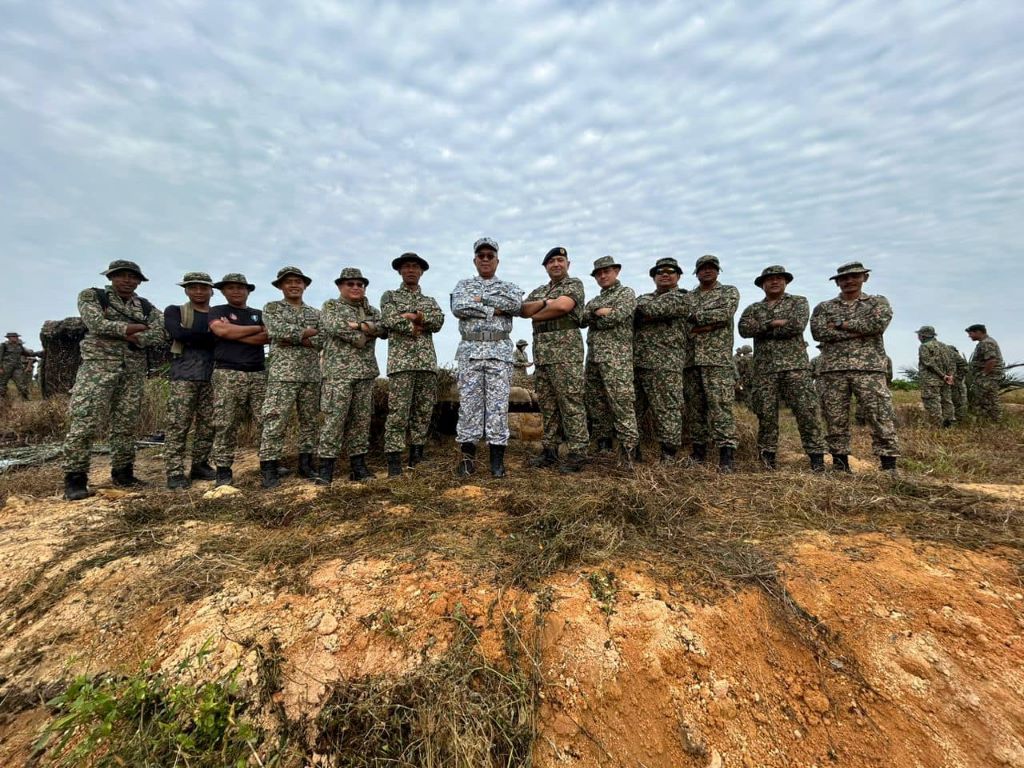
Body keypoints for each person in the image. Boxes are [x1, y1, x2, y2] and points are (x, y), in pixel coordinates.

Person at [61, 260, 166, 500]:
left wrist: (133, 337)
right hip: (98, 368)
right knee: (84, 422)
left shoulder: (146, 306)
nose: (127, 280)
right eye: (121, 276)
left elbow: (160, 334)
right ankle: (75, 478)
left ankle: (123, 473)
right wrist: (134, 328)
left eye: (132, 276)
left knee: (125, 425)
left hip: (132, 370)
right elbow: (96, 324)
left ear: (139, 280)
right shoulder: (93, 296)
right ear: (111, 277)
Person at [810, 261, 899, 472]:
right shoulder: (824, 307)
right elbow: (819, 333)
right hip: (833, 370)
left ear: (864, 278)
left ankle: (888, 466)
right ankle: (841, 465)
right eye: (843, 278)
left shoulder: (877, 302)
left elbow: (877, 325)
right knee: (834, 418)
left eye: (855, 276)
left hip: (869, 370)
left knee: (880, 416)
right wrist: (861, 329)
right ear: (837, 282)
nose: (849, 281)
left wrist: (840, 325)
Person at [738, 265, 826, 471]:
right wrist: (773, 323)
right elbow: (744, 329)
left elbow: (797, 325)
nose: (774, 282)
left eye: (779, 278)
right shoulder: (753, 309)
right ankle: (767, 461)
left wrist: (763, 328)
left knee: (807, 413)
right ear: (762, 285)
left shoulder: (798, 302)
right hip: (764, 370)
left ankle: (817, 460)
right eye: (769, 279)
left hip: (795, 368)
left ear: (785, 282)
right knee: (766, 415)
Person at [450, 238, 523, 477]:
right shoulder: (463, 285)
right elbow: (458, 307)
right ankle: (467, 459)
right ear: (474, 260)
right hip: (470, 353)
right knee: (469, 406)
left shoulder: (509, 286)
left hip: (499, 353)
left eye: (489, 256)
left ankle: (496, 462)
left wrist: (482, 301)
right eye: (480, 256)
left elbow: (515, 305)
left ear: (497, 260)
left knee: (498, 407)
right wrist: (493, 308)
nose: (485, 259)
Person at [521, 247, 589, 473]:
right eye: (551, 262)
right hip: (542, 355)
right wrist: (544, 306)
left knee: (570, 403)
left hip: (565, 356)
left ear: (568, 264)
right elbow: (523, 310)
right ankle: (549, 450)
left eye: (560, 260)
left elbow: (563, 306)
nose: (556, 264)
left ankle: (578, 452)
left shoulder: (574, 285)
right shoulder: (540, 290)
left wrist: (539, 308)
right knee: (548, 405)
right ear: (545, 267)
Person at [317, 268, 385, 484]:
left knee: (361, 421)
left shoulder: (372, 310)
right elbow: (334, 326)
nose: (356, 287)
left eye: (360, 284)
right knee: (334, 420)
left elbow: (384, 328)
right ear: (340, 286)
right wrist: (364, 335)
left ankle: (358, 467)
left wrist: (357, 326)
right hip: (338, 375)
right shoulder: (331, 306)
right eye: (350, 284)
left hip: (365, 374)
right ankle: (326, 469)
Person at [381, 252, 445, 477]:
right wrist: (415, 326)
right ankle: (394, 460)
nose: (411, 270)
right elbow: (389, 319)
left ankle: (417, 456)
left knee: (423, 411)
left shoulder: (430, 301)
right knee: (398, 413)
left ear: (422, 272)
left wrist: (414, 316)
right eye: (406, 267)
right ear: (400, 271)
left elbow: (438, 321)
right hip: (401, 365)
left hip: (426, 364)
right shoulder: (389, 296)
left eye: (415, 267)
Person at [259, 266, 321, 488]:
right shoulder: (272, 308)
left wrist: (293, 336)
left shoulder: (316, 313)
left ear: (304, 285)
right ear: (280, 286)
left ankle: (306, 465)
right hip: (282, 376)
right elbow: (275, 331)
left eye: (298, 281)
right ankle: (269, 468)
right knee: (275, 420)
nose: (294, 285)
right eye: (288, 282)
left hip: (311, 375)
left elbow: (322, 339)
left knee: (310, 422)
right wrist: (306, 334)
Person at [208, 273, 269, 488]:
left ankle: (268, 466)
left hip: (258, 373)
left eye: (240, 287)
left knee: (266, 421)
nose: (236, 291)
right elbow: (220, 329)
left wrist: (234, 333)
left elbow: (267, 337)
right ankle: (223, 470)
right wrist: (254, 330)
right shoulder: (217, 311)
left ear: (248, 291)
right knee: (225, 422)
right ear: (223, 291)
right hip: (227, 373)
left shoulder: (258, 313)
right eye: (231, 287)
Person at [683, 254, 740, 472]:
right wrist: (706, 323)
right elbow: (682, 322)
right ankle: (698, 454)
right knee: (695, 410)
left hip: (717, 361)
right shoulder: (688, 296)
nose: (707, 271)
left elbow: (724, 314)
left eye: (711, 268)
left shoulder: (728, 291)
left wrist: (696, 321)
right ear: (696, 273)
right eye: (702, 268)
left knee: (721, 407)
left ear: (718, 271)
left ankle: (727, 457)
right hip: (691, 361)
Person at [581, 256, 638, 463]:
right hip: (594, 359)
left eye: (606, 271)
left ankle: (629, 451)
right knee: (596, 404)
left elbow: (615, 317)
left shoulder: (626, 293)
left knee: (621, 404)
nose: (603, 276)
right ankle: (604, 448)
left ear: (616, 272)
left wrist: (597, 316)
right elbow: (582, 319)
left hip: (617, 361)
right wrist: (599, 313)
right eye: (598, 273)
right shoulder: (595, 301)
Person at [163, 272, 217, 489]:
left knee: (209, 424)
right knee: (178, 424)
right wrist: (213, 337)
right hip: (183, 375)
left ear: (211, 290)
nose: (198, 291)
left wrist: (192, 335)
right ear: (186, 290)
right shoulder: (175, 311)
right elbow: (178, 333)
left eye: (203, 288)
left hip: (212, 375)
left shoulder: (218, 313)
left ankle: (200, 464)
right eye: (193, 287)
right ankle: (174, 472)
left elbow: (189, 335)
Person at [633, 257, 689, 463]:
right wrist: (643, 310)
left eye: (670, 271)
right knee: (633, 409)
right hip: (637, 363)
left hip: (665, 365)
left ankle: (668, 455)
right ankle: (633, 452)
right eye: (659, 272)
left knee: (667, 410)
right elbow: (634, 311)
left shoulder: (682, 297)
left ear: (678, 276)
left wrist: (645, 310)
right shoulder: (644, 297)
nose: (665, 275)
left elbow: (650, 310)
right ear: (653, 277)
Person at [915, 326, 956, 427]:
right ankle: (949, 423)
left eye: (919, 335)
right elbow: (951, 362)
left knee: (932, 403)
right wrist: (949, 375)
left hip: (931, 380)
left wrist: (943, 376)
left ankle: (936, 426)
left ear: (922, 336)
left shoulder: (924, 346)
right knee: (946, 401)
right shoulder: (944, 346)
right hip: (946, 380)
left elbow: (928, 363)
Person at [965, 323, 1004, 422]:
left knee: (989, 399)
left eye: (971, 333)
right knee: (987, 399)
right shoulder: (986, 342)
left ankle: (995, 421)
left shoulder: (986, 343)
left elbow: (991, 360)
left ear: (978, 332)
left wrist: (983, 374)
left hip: (989, 377)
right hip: (989, 376)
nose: (969, 336)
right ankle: (989, 421)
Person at [0, 332, 39, 401]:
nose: (17, 338)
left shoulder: (19, 346)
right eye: (15, 337)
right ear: (9, 338)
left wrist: (39, 353)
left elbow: (28, 353)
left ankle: (25, 399)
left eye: (17, 337)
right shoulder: (3, 345)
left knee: (21, 384)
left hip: (17, 368)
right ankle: (2, 400)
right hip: (6, 368)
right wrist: (0, 368)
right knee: (2, 384)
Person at [942, 341, 970, 422]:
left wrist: (956, 378)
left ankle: (960, 423)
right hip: (947, 385)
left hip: (957, 385)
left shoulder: (957, 359)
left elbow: (965, 367)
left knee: (960, 404)